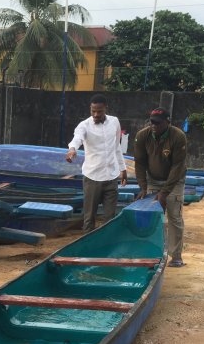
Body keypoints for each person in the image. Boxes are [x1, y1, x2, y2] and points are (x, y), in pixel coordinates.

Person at [66, 94, 128, 232]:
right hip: (92, 177)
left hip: (111, 177)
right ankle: (87, 250)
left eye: (99, 111)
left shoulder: (115, 122)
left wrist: (123, 169)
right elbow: (77, 138)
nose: (95, 114)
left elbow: (116, 147)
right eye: (93, 111)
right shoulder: (85, 125)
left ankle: (105, 249)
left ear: (106, 108)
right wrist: (72, 149)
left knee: (110, 218)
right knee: (89, 218)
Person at [134, 107, 188, 267]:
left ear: (167, 122)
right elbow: (140, 162)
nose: (154, 126)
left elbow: (177, 166)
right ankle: (151, 253)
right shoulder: (142, 136)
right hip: (153, 179)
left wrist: (164, 193)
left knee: (174, 216)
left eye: (158, 123)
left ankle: (176, 256)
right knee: (152, 216)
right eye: (152, 122)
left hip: (175, 180)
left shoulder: (178, 136)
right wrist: (143, 187)